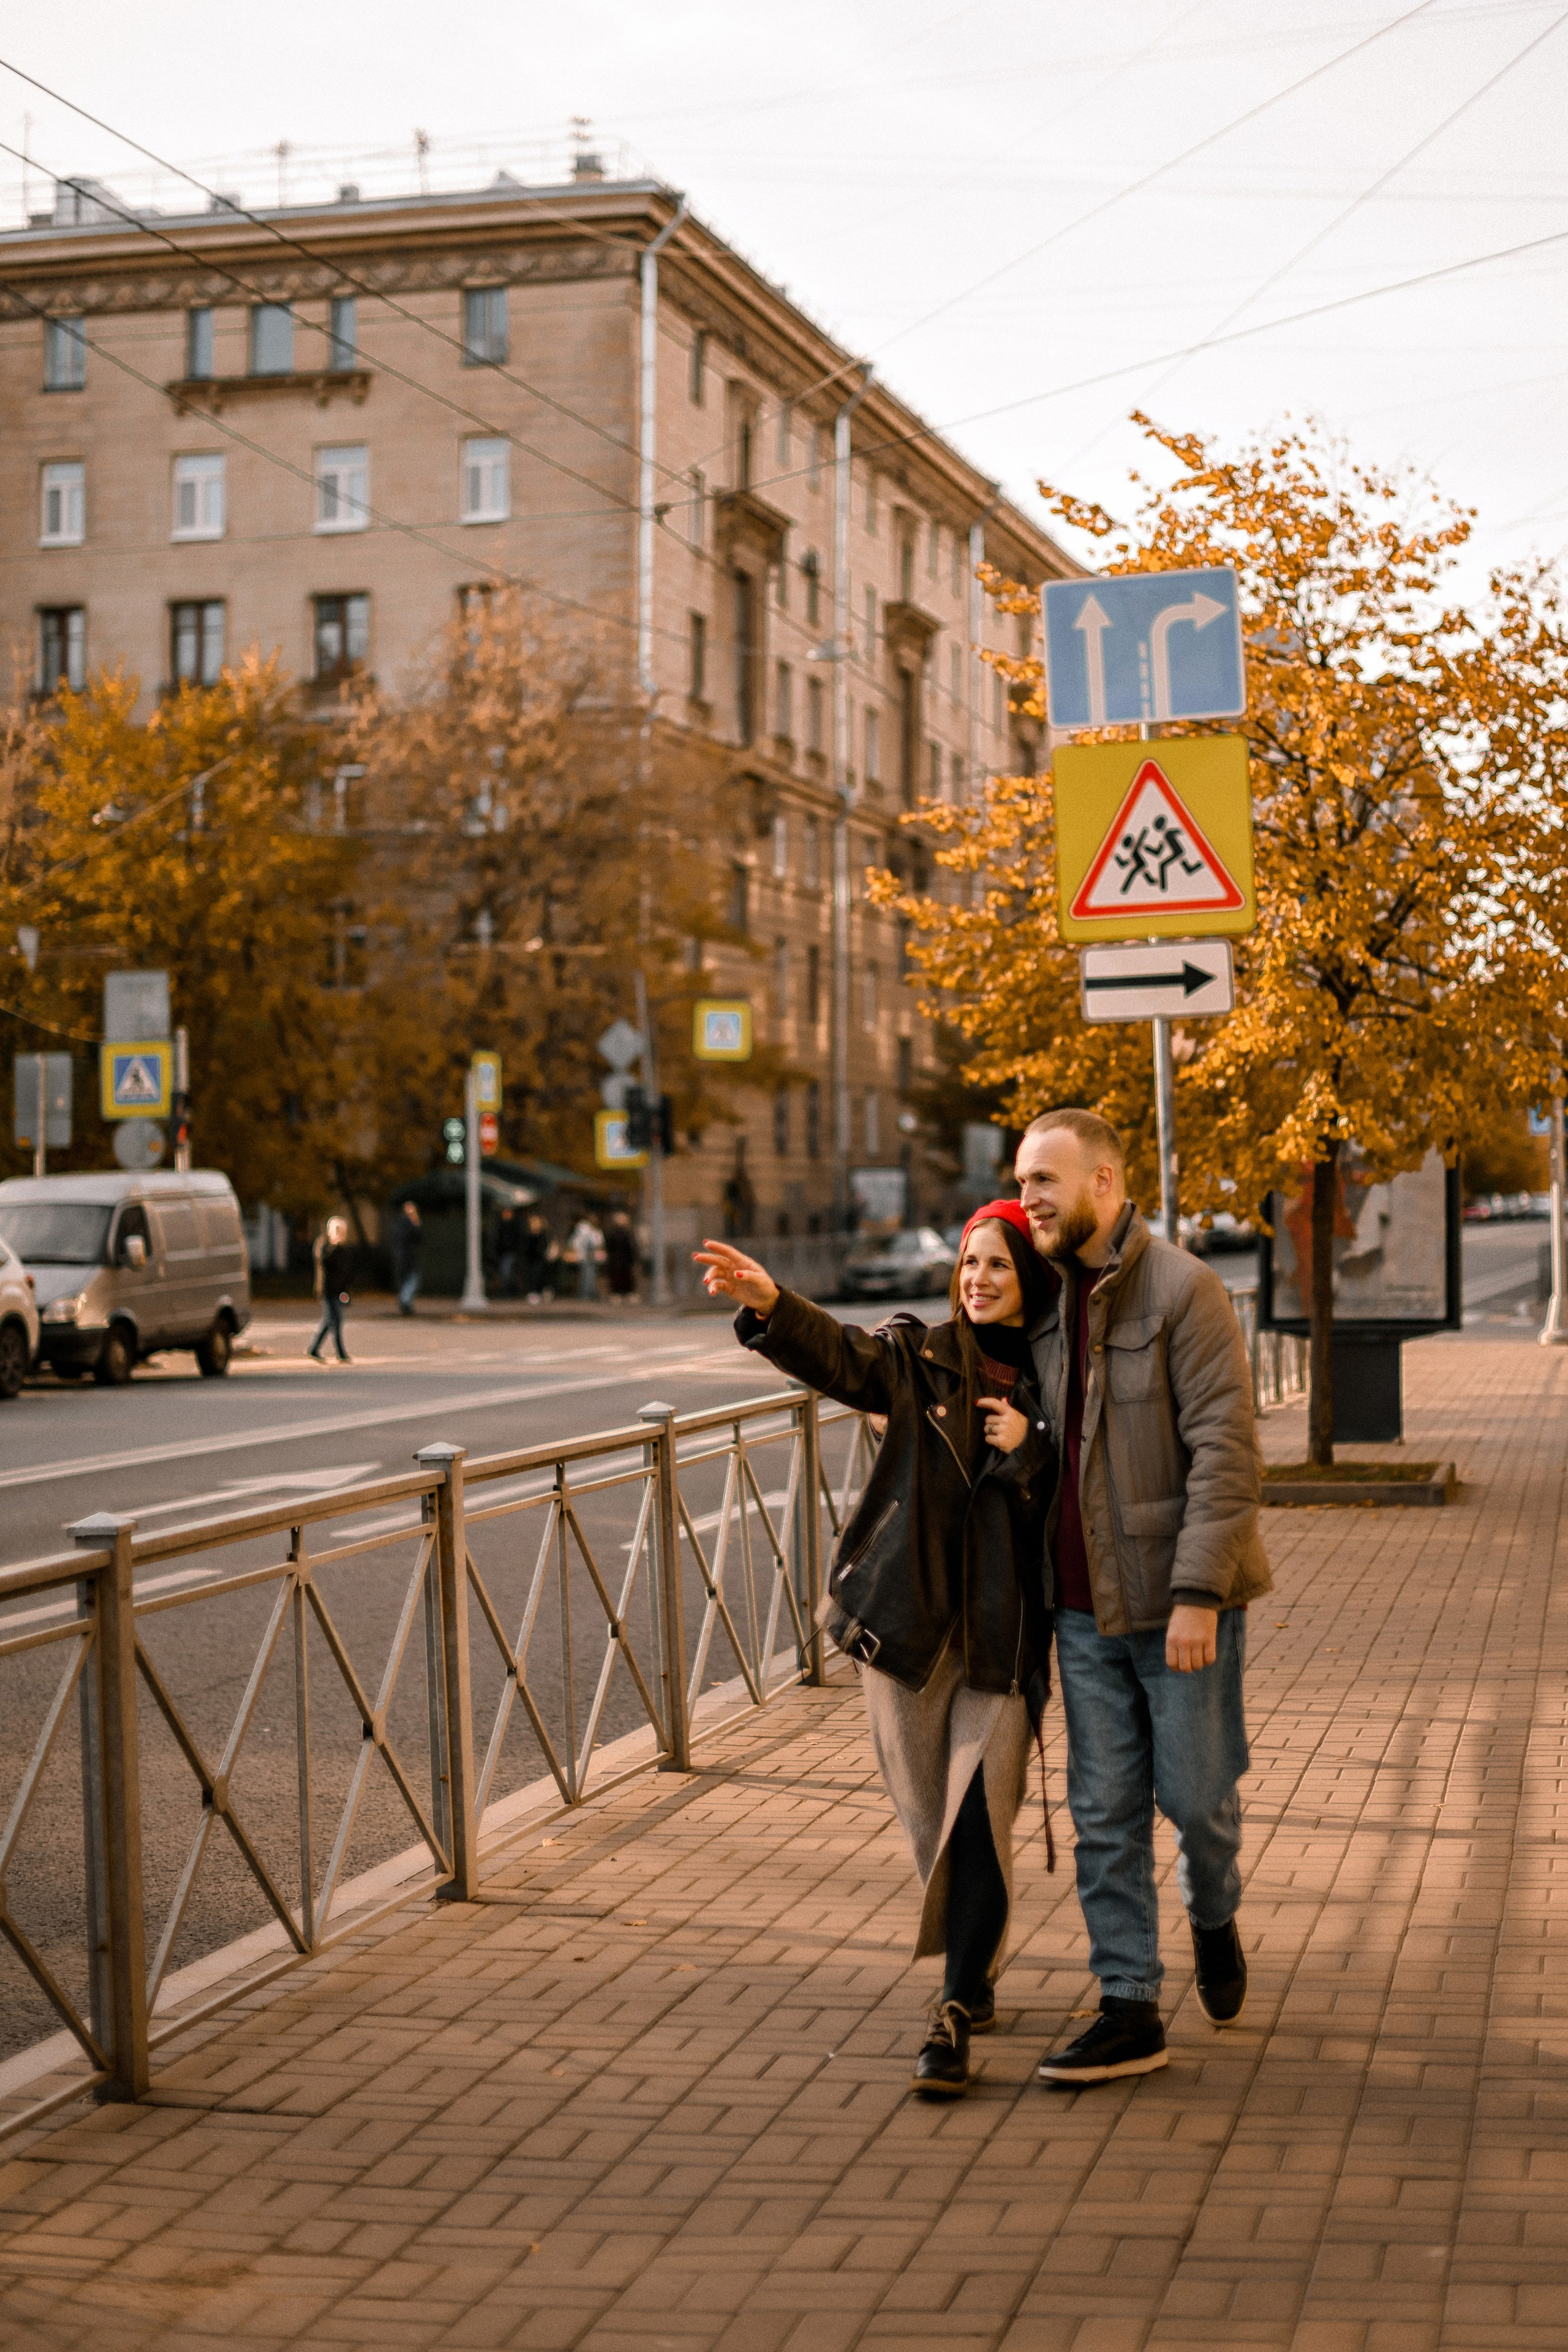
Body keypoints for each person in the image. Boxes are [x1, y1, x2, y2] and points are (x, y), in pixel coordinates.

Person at [696, 1202, 1058, 2099]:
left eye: (997, 1267)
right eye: (969, 1264)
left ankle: (953, 2007)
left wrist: (1033, 1445)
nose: (977, 1279)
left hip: (1005, 1636)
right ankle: (976, 1966)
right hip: (909, 1631)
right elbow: (844, 1358)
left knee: (978, 1818)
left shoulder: (1062, 1374)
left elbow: (1095, 1480)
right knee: (934, 1826)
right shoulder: (921, 1356)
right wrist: (773, 1305)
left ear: (1030, 1281)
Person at [1015, 1108, 1272, 2086]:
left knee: (1197, 1800)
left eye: (1047, 1178)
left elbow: (1226, 1451)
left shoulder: (1184, 1291)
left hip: (1178, 1607)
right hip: (1082, 1612)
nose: (1030, 1196)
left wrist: (1203, 1592)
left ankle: (1213, 1913)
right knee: (1105, 1812)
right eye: (1023, 1179)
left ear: (1107, 1184)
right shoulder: (1041, 1302)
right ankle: (1129, 2002)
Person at [308, 1216, 353, 1365]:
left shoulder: (343, 1249)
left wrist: (346, 1292)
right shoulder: (325, 1246)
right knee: (335, 1320)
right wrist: (334, 1246)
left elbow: (346, 1272)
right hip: (328, 1290)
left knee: (330, 1321)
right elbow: (326, 1265)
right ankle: (340, 1353)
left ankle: (314, 1349)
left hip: (339, 1291)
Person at [388, 1199, 422, 1317]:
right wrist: (416, 1223)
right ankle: (405, 1301)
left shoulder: (397, 1223)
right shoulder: (410, 1223)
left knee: (406, 1282)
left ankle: (406, 1304)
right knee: (413, 1280)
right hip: (408, 1258)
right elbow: (419, 1238)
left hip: (399, 1258)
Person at [567, 1212, 605, 1302]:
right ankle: (586, 1293)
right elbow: (590, 1242)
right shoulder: (585, 1229)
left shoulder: (591, 1230)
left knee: (589, 1275)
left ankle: (589, 1293)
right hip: (586, 1255)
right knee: (587, 1275)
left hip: (589, 1256)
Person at [520, 1212, 557, 1304]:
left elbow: (546, 1246)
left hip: (541, 1258)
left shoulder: (543, 1234)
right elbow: (526, 1248)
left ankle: (541, 1292)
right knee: (534, 1275)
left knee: (540, 1275)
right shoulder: (529, 1234)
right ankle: (535, 1293)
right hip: (532, 1258)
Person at [604, 1209, 638, 1303]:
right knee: (625, 1278)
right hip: (624, 1261)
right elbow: (630, 1248)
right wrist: (633, 1259)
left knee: (617, 1278)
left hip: (615, 1260)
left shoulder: (612, 1233)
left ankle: (617, 1294)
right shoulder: (626, 1233)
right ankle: (625, 1294)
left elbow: (608, 1246)